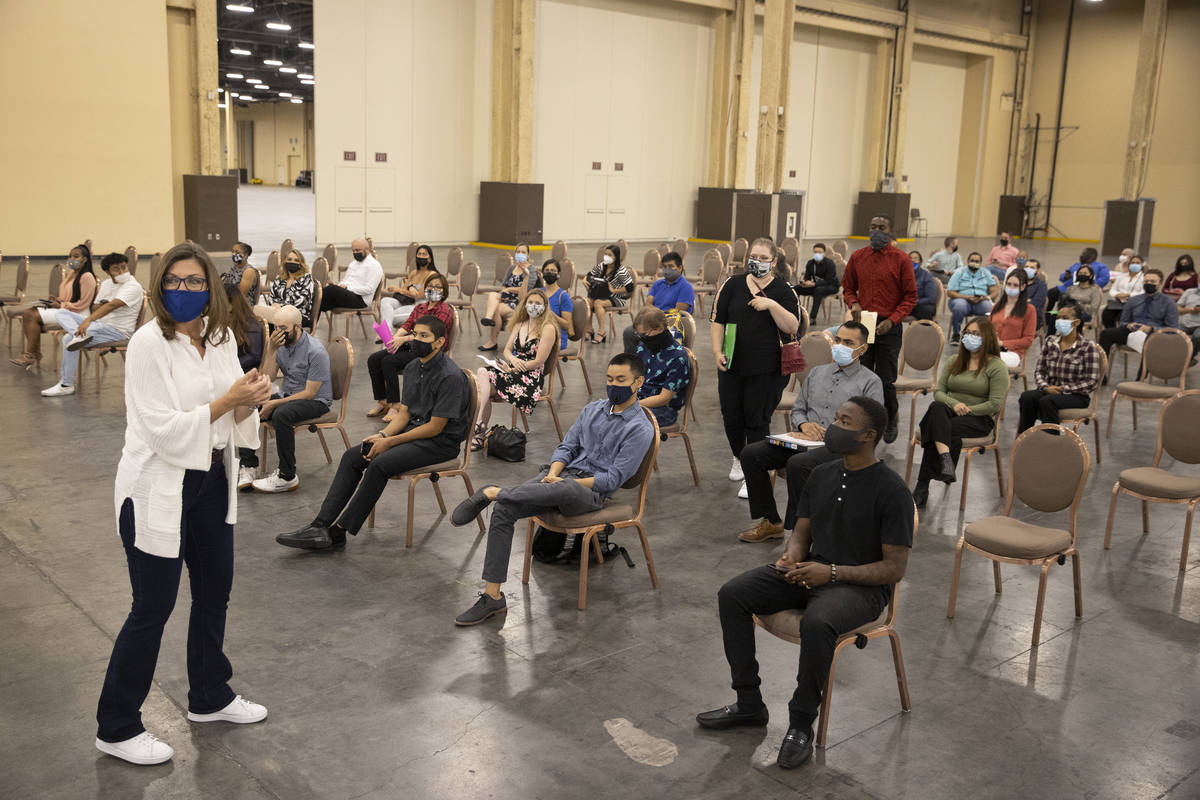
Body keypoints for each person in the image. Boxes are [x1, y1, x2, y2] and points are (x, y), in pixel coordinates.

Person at [95, 241, 271, 766]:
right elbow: (165, 432)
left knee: (215, 592)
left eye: (197, 282)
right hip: (157, 487)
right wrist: (228, 402)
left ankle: (209, 696)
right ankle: (117, 724)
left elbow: (229, 408)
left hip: (210, 481)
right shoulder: (149, 343)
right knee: (152, 608)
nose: (186, 291)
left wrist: (248, 399)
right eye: (175, 281)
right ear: (159, 285)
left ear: (212, 288)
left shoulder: (216, 337)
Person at [696, 395, 913, 771]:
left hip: (860, 589)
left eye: (845, 422)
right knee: (733, 594)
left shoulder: (891, 491)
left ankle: (800, 724)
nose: (834, 426)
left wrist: (830, 574)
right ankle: (749, 703)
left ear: (868, 435)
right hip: (812, 571)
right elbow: (801, 531)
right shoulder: (821, 475)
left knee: (817, 622)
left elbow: (893, 569)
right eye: (837, 418)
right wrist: (793, 555)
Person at [449, 353, 656, 626]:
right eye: (609, 379)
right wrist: (554, 474)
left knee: (566, 490)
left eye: (621, 380)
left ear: (638, 382)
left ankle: (493, 490)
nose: (613, 384)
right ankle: (493, 596)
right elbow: (567, 447)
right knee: (505, 509)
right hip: (560, 480)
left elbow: (613, 479)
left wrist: (566, 483)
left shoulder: (639, 428)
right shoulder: (592, 409)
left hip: (589, 493)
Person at [274, 316, 470, 550]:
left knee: (380, 464)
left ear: (439, 342)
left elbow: (435, 427)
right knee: (352, 457)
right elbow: (405, 414)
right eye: (415, 334)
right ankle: (319, 525)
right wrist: (383, 436)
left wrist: (390, 443)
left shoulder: (450, 376)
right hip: (413, 432)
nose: (417, 340)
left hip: (439, 442)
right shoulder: (412, 367)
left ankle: (339, 532)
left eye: (424, 336)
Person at [736, 322, 883, 542]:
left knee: (798, 464)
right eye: (838, 340)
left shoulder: (871, 382)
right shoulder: (817, 373)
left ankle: (801, 534)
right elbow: (798, 409)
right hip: (804, 440)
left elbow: (868, 428)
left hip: (841, 447)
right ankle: (772, 522)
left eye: (849, 343)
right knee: (751, 454)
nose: (840, 346)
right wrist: (804, 425)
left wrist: (832, 432)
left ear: (862, 349)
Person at [711, 237, 801, 493]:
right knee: (731, 417)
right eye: (754, 256)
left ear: (773, 261)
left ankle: (754, 474)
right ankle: (739, 458)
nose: (757, 262)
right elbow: (718, 321)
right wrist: (717, 351)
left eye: (763, 258)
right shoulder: (732, 284)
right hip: (732, 363)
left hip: (767, 369)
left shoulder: (784, 290)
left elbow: (792, 327)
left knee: (756, 419)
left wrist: (771, 304)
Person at [911, 316, 1009, 508]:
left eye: (976, 334)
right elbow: (939, 392)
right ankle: (945, 460)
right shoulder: (955, 361)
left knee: (934, 426)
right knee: (937, 408)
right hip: (949, 413)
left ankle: (922, 485)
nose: (970, 337)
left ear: (987, 337)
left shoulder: (997, 366)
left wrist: (968, 409)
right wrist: (955, 405)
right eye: (967, 333)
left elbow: (995, 404)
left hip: (979, 420)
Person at [843, 214, 918, 443]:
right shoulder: (857, 257)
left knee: (885, 379)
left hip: (889, 325)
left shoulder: (901, 260)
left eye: (882, 227)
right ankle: (865, 417)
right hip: (865, 322)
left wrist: (893, 320)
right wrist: (853, 303)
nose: (876, 231)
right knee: (862, 374)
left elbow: (910, 296)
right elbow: (848, 288)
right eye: (873, 227)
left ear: (890, 231)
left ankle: (890, 417)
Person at [248, 305, 333, 493]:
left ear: (298, 326)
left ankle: (287, 476)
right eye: (276, 327)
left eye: (284, 329)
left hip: (316, 401)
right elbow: (267, 379)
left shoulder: (315, 351)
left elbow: (309, 394)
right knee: (250, 405)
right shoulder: (281, 346)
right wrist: (271, 350)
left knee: (281, 415)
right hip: (290, 395)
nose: (279, 333)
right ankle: (248, 466)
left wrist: (274, 403)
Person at [41, 252, 144, 397]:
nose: (122, 272)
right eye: (116, 269)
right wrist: (97, 311)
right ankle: (81, 336)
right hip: (100, 325)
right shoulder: (107, 284)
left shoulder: (133, 286)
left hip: (118, 330)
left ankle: (66, 385)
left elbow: (111, 306)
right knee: (61, 313)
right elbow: (94, 307)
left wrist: (88, 320)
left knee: (68, 339)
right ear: (108, 272)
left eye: (124, 267)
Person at [470, 288, 559, 450]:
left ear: (545, 307)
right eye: (530, 302)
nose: (533, 306)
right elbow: (507, 350)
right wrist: (511, 361)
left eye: (537, 303)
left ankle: (478, 431)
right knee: (483, 374)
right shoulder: (520, 324)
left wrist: (512, 370)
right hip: (514, 368)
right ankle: (479, 426)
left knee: (485, 389)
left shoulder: (548, 328)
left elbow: (539, 361)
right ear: (524, 305)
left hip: (530, 377)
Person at [366, 273, 455, 420]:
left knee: (389, 362)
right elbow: (407, 325)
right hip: (412, 346)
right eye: (430, 286)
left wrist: (403, 339)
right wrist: (395, 338)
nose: (433, 289)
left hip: (429, 350)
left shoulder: (444, 310)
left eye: (438, 287)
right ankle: (383, 401)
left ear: (444, 292)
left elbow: (430, 334)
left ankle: (395, 406)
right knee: (374, 359)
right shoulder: (420, 307)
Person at [1017, 305, 1102, 433]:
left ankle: (1051, 444)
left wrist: (1064, 389)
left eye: (1065, 318)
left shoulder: (1087, 347)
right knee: (1027, 397)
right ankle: (1024, 438)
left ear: (1077, 322)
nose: (1060, 321)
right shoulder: (1050, 341)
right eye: (1058, 318)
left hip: (1076, 396)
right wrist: (1045, 387)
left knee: (1047, 402)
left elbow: (1091, 381)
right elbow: (1039, 370)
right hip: (1050, 390)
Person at [11, 243, 97, 369]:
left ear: (85, 259)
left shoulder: (87, 277)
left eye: (76, 256)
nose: (72, 259)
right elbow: (67, 297)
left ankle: (30, 355)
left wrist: (61, 305)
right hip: (65, 309)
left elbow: (83, 303)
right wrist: (57, 300)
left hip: (77, 314)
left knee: (30, 314)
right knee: (28, 313)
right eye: (70, 256)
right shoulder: (71, 274)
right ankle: (34, 353)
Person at [224, 283, 265, 489]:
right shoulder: (218, 323)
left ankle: (248, 464)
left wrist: (226, 368)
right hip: (228, 378)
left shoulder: (251, 324)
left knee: (243, 407)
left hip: (247, 379)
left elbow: (254, 357)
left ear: (232, 303)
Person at [621, 251, 694, 353]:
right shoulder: (657, 284)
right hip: (652, 322)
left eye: (671, 266)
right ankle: (634, 364)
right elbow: (648, 304)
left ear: (680, 268)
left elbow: (677, 312)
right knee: (630, 332)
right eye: (664, 266)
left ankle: (649, 363)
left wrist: (655, 315)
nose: (667, 269)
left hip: (672, 325)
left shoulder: (686, 287)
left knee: (648, 336)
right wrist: (654, 317)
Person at [1098, 268, 1179, 359]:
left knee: (1150, 346)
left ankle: (1142, 373)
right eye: (1146, 281)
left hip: (1154, 335)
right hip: (1133, 332)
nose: (1149, 283)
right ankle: (1101, 370)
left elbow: (1173, 329)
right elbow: (1123, 322)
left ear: (1160, 283)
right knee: (1106, 334)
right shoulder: (1134, 300)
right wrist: (1129, 325)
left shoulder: (1169, 303)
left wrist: (1151, 329)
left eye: (1153, 281)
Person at [631, 307, 690, 428]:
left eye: (644, 334)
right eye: (639, 334)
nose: (641, 338)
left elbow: (664, 398)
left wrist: (631, 406)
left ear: (659, 328)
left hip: (663, 410)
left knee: (621, 423)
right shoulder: (644, 347)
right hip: (640, 401)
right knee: (599, 412)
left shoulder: (678, 357)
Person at [479, 243, 543, 351]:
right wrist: (505, 291)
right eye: (518, 252)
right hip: (507, 298)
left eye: (523, 252)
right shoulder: (512, 268)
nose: (520, 254)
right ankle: (488, 318)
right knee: (492, 294)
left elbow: (527, 289)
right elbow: (504, 284)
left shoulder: (531, 270)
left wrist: (509, 290)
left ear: (528, 255)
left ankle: (493, 341)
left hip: (521, 300)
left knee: (497, 309)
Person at [584, 244, 635, 344]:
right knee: (587, 302)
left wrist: (614, 290)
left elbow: (630, 288)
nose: (606, 257)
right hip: (602, 295)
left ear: (615, 257)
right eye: (605, 254)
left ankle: (602, 331)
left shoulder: (621, 271)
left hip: (618, 298)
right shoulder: (602, 265)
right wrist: (585, 280)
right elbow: (590, 274)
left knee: (598, 303)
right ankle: (589, 329)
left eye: (609, 255)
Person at [380, 243, 438, 328]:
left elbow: (419, 295)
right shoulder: (414, 273)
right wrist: (410, 287)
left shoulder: (432, 275)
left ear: (429, 259)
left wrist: (398, 289)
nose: (421, 256)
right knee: (385, 301)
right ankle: (387, 333)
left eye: (424, 254)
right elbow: (404, 291)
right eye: (419, 254)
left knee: (390, 317)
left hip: (422, 307)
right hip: (409, 303)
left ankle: (386, 334)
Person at [946, 251, 998, 344]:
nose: (974, 263)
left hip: (980, 301)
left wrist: (986, 297)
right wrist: (965, 297)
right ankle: (956, 334)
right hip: (962, 299)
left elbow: (994, 291)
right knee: (959, 306)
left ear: (981, 263)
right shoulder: (959, 272)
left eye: (977, 261)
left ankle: (984, 335)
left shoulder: (986, 273)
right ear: (967, 261)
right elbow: (950, 292)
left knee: (989, 307)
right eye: (972, 260)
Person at [320, 237, 382, 312]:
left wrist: (347, 288)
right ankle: (310, 318)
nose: (355, 253)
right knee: (320, 298)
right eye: (353, 251)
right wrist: (340, 285)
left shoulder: (374, 265)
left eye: (358, 250)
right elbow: (346, 281)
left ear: (367, 250)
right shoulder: (353, 264)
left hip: (361, 300)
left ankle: (310, 317)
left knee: (329, 292)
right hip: (349, 295)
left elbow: (369, 289)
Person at [990, 270, 1037, 369]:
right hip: (992, 349)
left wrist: (1002, 343)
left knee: (989, 360)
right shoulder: (996, 307)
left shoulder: (1030, 310)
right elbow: (987, 329)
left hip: (1013, 353)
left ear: (1023, 287)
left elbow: (1028, 340)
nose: (1011, 287)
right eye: (1009, 284)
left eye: (1015, 285)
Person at [1047, 248, 1110, 313]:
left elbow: (1104, 279)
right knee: (1051, 293)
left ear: (1092, 256)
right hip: (1067, 288)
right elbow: (1062, 277)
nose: (1081, 255)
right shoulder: (1076, 265)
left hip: (1085, 290)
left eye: (1084, 254)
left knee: (1070, 301)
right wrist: (1066, 277)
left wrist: (1089, 284)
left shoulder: (1101, 267)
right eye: (1082, 254)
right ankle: (1048, 314)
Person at [267, 248, 317, 328]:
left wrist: (282, 308)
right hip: (277, 314)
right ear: (285, 262)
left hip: (299, 317)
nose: (292, 262)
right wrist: (274, 305)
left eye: (296, 260)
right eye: (289, 259)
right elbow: (271, 297)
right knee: (260, 320)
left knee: (275, 323)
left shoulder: (306, 278)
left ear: (301, 264)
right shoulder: (280, 278)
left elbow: (303, 301)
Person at [1047, 263, 1104, 331]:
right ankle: (1050, 337)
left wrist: (1078, 304)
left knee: (1072, 318)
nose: (1082, 275)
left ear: (1091, 276)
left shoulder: (1095, 291)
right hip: (1068, 310)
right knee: (1053, 316)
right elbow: (1063, 302)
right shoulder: (1071, 288)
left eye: (1085, 273)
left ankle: (1074, 337)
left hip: (1084, 313)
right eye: (1080, 273)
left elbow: (1093, 308)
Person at [794, 243, 839, 322]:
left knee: (818, 290)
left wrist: (814, 284)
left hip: (832, 286)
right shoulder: (810, 263)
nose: (817, 254)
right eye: (815, 252)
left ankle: (812, 318)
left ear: (824, 253)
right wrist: (805, 283)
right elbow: (807, 278)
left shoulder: (830, 263)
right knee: (796, 288)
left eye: (820, 252)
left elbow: (829, 280)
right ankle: (795, 312)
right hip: (816, 286)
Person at [1103, 251, 1145, 328]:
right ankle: (1111, 331)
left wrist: (1128, 295)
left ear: (1142, 265)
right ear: (1129, 264)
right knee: (1106, 314)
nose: (1135, 264)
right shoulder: (1121, 276)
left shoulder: (1144, 278)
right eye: (1133, 262)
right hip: (1118, 302)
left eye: (1137, 263)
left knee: (1122, 316)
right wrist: (1117, 294)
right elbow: (1113, 290)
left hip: (1133, 304)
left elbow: (1143, 292)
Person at [541, 258, 575, 353]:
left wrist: (551, 314)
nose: (549, 273)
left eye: (553, 271)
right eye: (547, 270)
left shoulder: (563, 296)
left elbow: (567, 324)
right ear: (543, 274)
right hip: (538, 333)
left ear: (558, 275)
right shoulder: (539, 292)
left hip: (556, 338)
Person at [222, 241, 260, 307]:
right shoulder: (233, 268)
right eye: (232, 252)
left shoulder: (249, 271)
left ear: (246, 255)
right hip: (230, 303)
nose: (234, 254)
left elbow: (241, 295)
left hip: (243, 307)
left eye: (237, 252)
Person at [910, 250, 938, 321]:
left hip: (920, 304)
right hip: (906, 305)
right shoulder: (902, 274)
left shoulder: (927, 276)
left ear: (920, 262)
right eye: (910, 258)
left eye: (916, 258)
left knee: (926, 310)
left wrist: (915, 302)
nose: (912, 260)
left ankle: (924, 330)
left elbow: (931, 298)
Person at [1022, 256, 1049, 325]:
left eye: (1032, 268)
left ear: (1037, 271)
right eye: (1026, 267)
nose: (1028, 269)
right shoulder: (1018, 282)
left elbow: (1035, 305)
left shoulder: (1041, 285)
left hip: (1033, 318)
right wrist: (1027, 300)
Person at [1176, 281, 1200, 354]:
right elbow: (1177, 309)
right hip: (1184, 324)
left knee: (1198, 336)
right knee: (1168, 331)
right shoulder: (1189, 292)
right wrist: (1191, 310)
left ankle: (1190, 357)